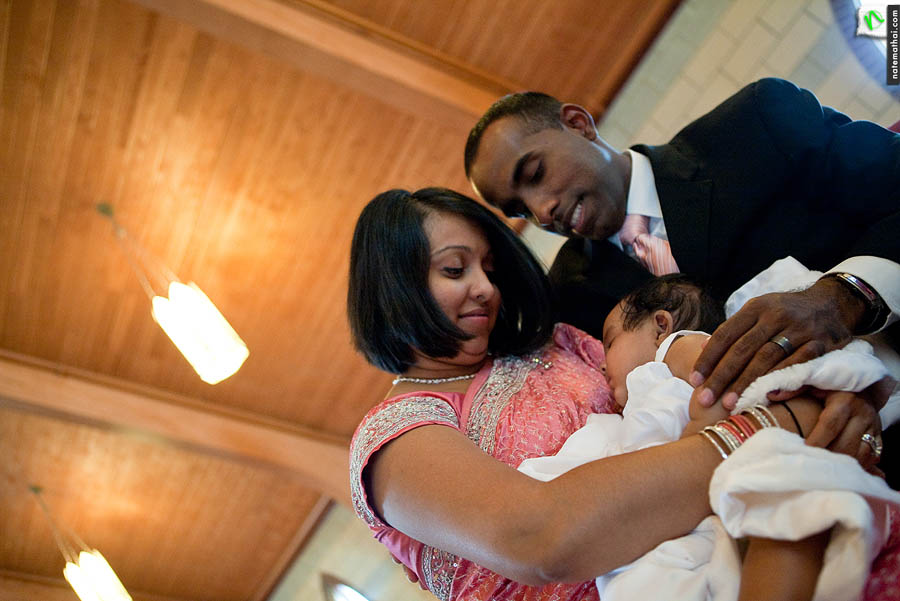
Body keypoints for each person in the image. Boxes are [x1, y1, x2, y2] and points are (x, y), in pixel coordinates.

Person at [347, 187, 837, 601]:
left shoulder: (557, 342)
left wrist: (802, 400)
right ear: (395, 287)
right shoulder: (394, 434)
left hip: (724, 545)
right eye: (455, 270)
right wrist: (770, 428)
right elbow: (541, 537)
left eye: (490, 270)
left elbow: (673, 384)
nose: (486, 290)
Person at [463, 77, 900, 462]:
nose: (543, 211)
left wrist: (844, 296)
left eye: (536, 173)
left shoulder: (753, 125)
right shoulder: (572, 298)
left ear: (578, 123)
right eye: (519, 209)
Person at [518, 274, 900, 601]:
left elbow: (716, 390)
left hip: (741, 462)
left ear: (661, 326)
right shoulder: (636, 398)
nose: (601, 362)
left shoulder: (678, 348)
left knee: (781, 514)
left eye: (611, 341)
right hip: (691, 501)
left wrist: (694, 442)